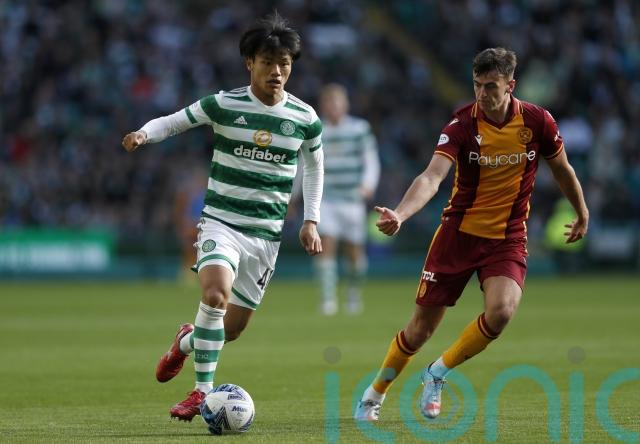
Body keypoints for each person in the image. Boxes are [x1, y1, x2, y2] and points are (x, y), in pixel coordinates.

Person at [354, 47, 589, 421]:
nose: (482, 93)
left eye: (491, 86)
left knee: (502, 311)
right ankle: (374, 393)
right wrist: (401, 213)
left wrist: (581, 211)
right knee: (419, 330)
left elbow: (562, 169)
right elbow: (431, 177)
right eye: (477, 84)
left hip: (507, 237)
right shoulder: (462, 124)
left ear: (510, 85)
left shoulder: (537, 122)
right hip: (457, 237)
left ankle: (437, 372)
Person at [121, 13, 324, 421]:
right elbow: (174, 122)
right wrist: (144, 133)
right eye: (268, 62)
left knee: (230, 329)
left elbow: (316, 167)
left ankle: (185, 342)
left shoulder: (304, 118)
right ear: (250, 62)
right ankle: (201, 393)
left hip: (265, 234)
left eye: (285, 64)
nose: (277, 72)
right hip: (221, 223)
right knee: (214, 295)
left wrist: (311, 220)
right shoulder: (224, 104)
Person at [315, 83, 380, 315]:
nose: (333, 106)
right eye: (329, 102)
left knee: (354, 252)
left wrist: (368, 184)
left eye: (337, 102)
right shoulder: (317, 129)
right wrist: (297, 195)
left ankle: (353, 294)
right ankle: (328, 299)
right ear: (323, 105)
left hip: (352, 198)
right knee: (326, 245)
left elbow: (371, 159)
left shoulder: (359, 129)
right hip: (326, 199)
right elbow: (306, 164)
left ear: (345, 105)